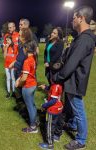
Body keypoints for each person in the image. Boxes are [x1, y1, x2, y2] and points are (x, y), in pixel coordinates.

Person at [53, 6, 95, 149]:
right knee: (73, 107)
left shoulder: (84, 39)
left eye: (74, 18)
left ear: (81, 18)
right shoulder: (82, 38)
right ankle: (72, 125)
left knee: (78, 110)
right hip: (73, 80)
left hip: (75, 80)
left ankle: (81, 140)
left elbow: (72, 63)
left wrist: (59, 77)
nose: (72, 21)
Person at [15, 28, 38, 133]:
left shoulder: (27, 61)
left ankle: (33, 127)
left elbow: (24, 77)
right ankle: (35, 121)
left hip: (28, 86)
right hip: (33, 84)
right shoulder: (33, 58)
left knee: (29, 106)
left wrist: (18, 83)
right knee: (32, 104)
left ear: (26, 49)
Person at [38, 83, 63, 150]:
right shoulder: (59, 84)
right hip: (59, 108)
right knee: (56, 123)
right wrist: (46, 87)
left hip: (52, 110)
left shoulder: (55, 86)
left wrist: (44, 105)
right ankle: (56, 136)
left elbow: (53, 101)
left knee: (49, 126)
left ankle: (49, 144)